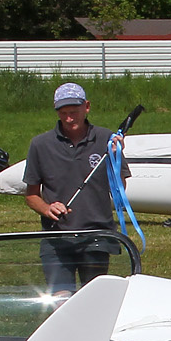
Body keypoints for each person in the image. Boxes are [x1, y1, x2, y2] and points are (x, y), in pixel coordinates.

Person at [22, 82, 129, 297]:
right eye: (63, 113)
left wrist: (115, 158)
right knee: (61, 302)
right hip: (57, 239)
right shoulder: (40, 145)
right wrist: (47, 209)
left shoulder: (106, 139)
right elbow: (31, 195)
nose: (69, 118)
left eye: (74, 112)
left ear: (87, 106)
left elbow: (119, 188)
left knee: (94, 300)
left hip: (96, 236)